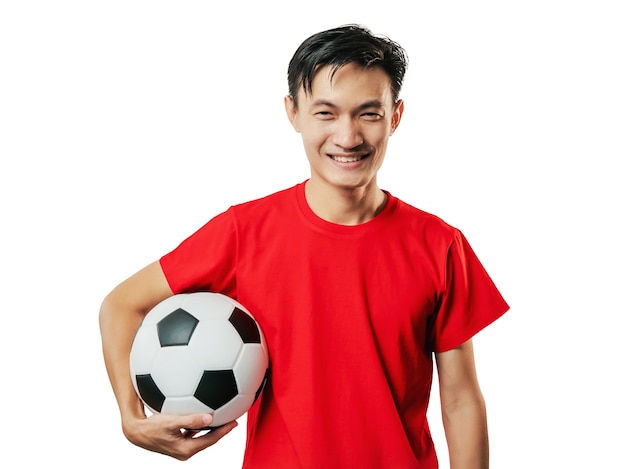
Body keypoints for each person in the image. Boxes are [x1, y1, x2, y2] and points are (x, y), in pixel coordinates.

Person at [99, 24, 509, 469]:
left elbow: (461, 399)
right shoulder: (244, 231)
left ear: (395, 116)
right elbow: (122, 305)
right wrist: (130, 415)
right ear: (293, 113)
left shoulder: (440, 245)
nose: (348, 136)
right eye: (325, 113)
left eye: (368, 113)